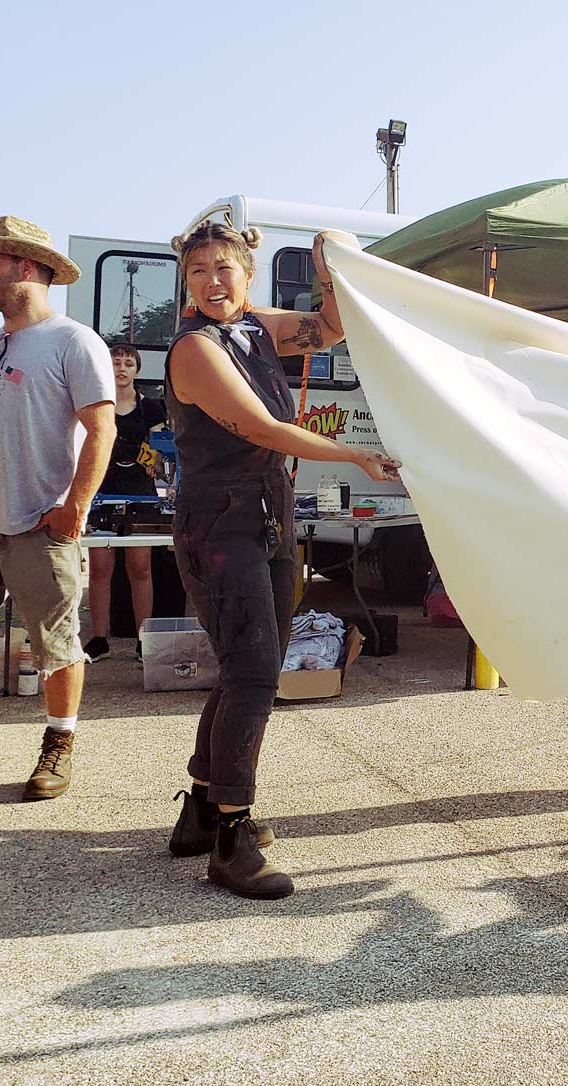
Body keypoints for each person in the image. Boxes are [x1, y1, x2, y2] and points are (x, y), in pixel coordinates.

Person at [164, 220, 400, 900]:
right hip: (219, 525)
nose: (212, 281)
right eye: (199, 270)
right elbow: (261, 428)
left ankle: (201, 811)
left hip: (266, 516)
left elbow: (331, 328)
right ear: (188, 281)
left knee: (247, 667)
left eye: (224, 268)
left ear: (247, 272)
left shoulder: (256, 327)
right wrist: (355, 452)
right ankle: (231, 837)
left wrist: (329, 264)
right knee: (255, 675)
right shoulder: (195, 349)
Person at [0, 216, 117, 802]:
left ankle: (58, 745)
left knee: (57, 645)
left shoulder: (74, 340)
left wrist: (73, 509)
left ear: (26, 268)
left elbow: (102, 430)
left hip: (38, 520)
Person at [83, 343, 166, 662]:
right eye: (116, 362)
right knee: (101, 568)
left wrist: (153, 462)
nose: (121, 368)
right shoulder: (96, 405)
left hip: (141, 494)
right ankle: (99, 638)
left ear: (137, 370)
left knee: (140, 567)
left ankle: (144, 640)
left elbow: (159, 452)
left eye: (128, 363)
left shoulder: (152, 408)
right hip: (101, 493)